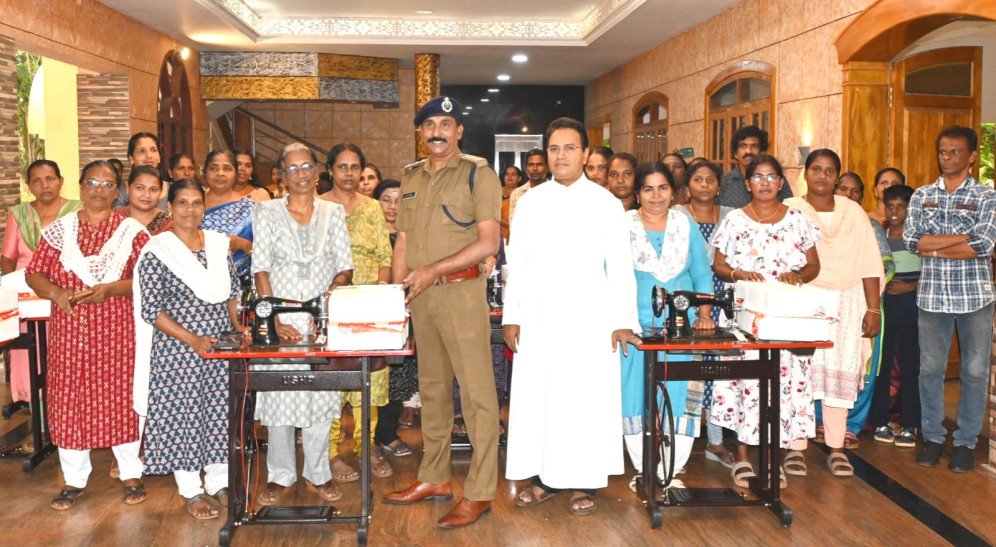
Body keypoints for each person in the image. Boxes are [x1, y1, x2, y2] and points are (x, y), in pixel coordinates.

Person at [503, 117, 639, 516]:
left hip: (589, 317)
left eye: (569, 148)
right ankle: (545, 479)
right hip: (540, 315)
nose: (561, 155)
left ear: (585, 153)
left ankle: (584, 481)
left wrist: (622, 320)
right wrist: (513, 314)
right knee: (542, 398)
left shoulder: (605, 204)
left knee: (583, 400)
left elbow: (620, 266)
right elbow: (518, 264)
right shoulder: (530, 203)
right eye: (554, 148)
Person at [383, 96, 501, 529]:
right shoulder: (412, 175)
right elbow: (403, 241)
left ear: (458, 131)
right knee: (432, 391)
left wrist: (433, 270)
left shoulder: (477, 174)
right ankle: (434, 477)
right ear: (420, 132)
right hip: (422, 298)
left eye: (446, 124)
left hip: (461, 293)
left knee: (476, 396)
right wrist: (397, 295)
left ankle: (480, 491)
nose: (437, 132)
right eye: (430, 125)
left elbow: (489, 242)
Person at [26, 159, 150, 511]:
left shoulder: (132, 232)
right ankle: (73, 479)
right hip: (70, 330)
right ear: (80, 187)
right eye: (93, 182)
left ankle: (131, 473)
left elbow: (146, 278)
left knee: (121, 397)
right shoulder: (59, 231)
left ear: (117, 191)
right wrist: (57, 293)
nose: (99, 189)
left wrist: (109, 290)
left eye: (108, 184)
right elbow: (34, 273)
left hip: (118, 330)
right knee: (70, 398)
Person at [709, 154, 821, 489]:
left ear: (781, 182)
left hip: (785, 318)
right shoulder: (734, 220)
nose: (765, 183)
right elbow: (719, 266)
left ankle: (773, 460)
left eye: (772, 176)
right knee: (744, 385)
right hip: (744, 317)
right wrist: (737, 273)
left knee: (781, 386)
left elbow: (814, 266)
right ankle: (743, 457)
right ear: (747, 184)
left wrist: (798, 274)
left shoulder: (797, 219)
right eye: (758, 177)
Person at [252, 142, 354, 505]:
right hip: (280, 321)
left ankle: (318, 473)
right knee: (279, 396)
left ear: (316, 171)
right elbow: (260, 267)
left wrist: (325, 306)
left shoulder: (333, 211)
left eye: (306, 166)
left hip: (320, 321)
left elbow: (345, 267)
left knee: (320, 396)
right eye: (292, 168)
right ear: (282, 175)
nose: (300, 174)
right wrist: (273, 317)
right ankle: (280, 474)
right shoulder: (266, 211)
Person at [134, 179, 240, 520]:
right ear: (170, 208)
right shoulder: (158, 251)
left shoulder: (217, 245)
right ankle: (191, 490)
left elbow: (233, 293)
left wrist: (239, 327)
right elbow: (151, 309)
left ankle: (220, 482)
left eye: (196, 203)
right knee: (185, 416)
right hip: (178, 350)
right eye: (182, 203)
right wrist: (192, 339)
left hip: (220, 346)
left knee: (219, 413)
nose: (190, 210)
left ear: (204, 207)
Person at [785, 149, 883, 477]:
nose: (822, 176)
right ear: (806, 173)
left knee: (839, 373)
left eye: (830, 171)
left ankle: (837, 447)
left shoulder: (853, 212)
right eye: (817, 169)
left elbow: (870, 262)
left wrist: (873, 308)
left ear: (837, 177)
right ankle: (796, 446)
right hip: (802, 299)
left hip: (847, 301)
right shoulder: (791, 209)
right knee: (800, 373)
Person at [904, 126, 996, 472]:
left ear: (971, 156)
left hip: (975, 298)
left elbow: (983, 244)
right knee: (930, 369)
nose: (947, 157)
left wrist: (933, 246)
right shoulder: (922, 195)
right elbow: (913, 241)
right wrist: (961, 238)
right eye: (943, 151)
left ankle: (965, 442)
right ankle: (932, 438)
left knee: (974, 371)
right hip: (932, 297)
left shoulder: (987, 197)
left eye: (955, 151)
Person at [619, 161, 714, 492]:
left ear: (673, 192)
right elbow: (610, 277)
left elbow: (701, 273)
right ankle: (644, 469)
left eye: (662, 188)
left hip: (681, 329)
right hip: (634, 330)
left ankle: (671, 469)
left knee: (681, 395)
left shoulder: (684, 224)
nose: (655, 195)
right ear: (638, 194)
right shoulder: (622, 226)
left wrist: (704, 314)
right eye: (648, 189)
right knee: (634, 397)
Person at [320, 143, 394, 481]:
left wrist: (379, 295)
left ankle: (368, 448)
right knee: (330, 378)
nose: (349, 173)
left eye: (355, 167)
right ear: (330, 170)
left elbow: (383, 256)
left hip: (367, 302)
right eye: (342, 167)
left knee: (370, 376)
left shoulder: (373, 207)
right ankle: (331, 453)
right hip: (330, 301)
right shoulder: (317, 206)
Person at [2, 160, 82, 405]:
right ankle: (35, 405)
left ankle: (66, 403)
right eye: (36, 181)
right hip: (28, 297)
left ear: (60, 181)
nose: (44, 185)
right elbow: (8, 258)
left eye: (50, 179)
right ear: (29, 186)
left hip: (65, 294)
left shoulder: (78, 211)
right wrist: (19, 291)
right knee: (32, 353)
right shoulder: (18, 214)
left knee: (66, 353)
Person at [676, 160, 736, 467]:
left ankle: (715, 441)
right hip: (687, 298)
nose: (704, 184)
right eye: (697, 179)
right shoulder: (677, 215)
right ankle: (679, 443)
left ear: (719, 186)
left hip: (722, 298)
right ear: (687, 186)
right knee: (688, 371)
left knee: (716, 371)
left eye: (710, 179)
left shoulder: (731, 216)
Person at [830, 171, 895, 448]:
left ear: (862, 196)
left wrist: (870, 303)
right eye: (843, 188)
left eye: (855, 190)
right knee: (826, 364)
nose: (848, 194)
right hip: (829, 305)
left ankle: (852, 425)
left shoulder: (870, 225)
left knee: (862, 366)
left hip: (864, 304)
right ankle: (823, 422)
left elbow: (885, 266)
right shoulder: (821, 221)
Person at [871, 184, 921, 448]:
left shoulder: (918, 239)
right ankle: (881, 420)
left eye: (901, 207)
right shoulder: (881, 237)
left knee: (911, 368)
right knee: (883, 366)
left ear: (910, 209)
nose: (895, 211)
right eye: (890, 206)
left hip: (912, 311)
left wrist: (909, 287)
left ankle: (911, 423)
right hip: (886, 311)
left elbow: (933, 274)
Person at [372, 179, 417, 457]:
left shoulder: (412, 233)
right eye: (386, 199)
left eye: (399, 200)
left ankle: (387, 434)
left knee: (399, 376)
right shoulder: (369, 233)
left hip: (406, 309)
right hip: (372, 309)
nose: (392, 206)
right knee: (375, 372)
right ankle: (368, 437)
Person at [200, 150, 254, 278]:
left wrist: (243, 244)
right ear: (205, 173)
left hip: (241, 283)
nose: (220, 173)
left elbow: (267, 256)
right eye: (213, 168)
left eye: (227, 168)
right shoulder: (192, 205)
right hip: (196, 281)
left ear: (236, 174)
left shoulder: (250, 209)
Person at [716, 126, 792, 208]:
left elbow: (789, 209)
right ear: (735, 154)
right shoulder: (724, 182)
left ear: (762, 152)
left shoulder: (775, 179)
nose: (748, 151)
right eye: (743, 146)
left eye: (754, 146)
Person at [120, 166, 172, 235]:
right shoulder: (112, 219)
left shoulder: (169, 224)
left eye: (153, 189)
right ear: (127, 188)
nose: (147, 195)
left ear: (161, 192)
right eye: (140, 188)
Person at [508, 148, 548, 230]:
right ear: (526, 168)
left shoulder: (556, 192)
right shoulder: (517, 193)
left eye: (539, 164)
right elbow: (514, 227)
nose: (535, 168)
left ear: (547, 167)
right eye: (530, 165)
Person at [499, 165, 523, 240]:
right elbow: (492, 213)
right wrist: (511, 225)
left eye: (513, 174)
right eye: (507, 174)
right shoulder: (496, 192)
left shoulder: (523, 194)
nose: (510, 176)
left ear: (519, 178)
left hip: (519, 233)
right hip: (498, 234)